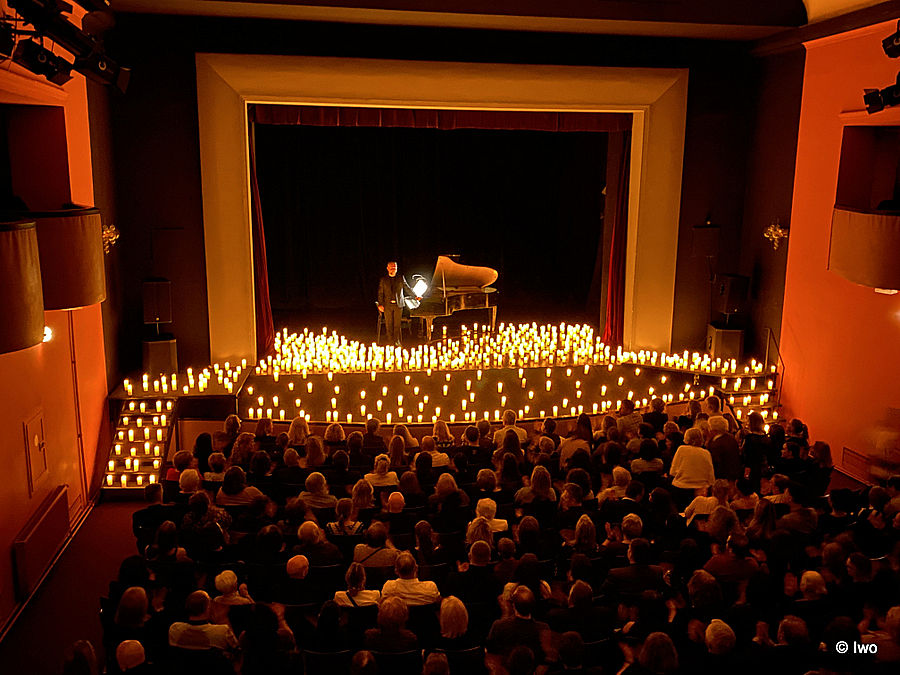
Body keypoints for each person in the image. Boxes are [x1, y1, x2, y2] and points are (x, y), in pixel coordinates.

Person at [168, 590, 238, 651]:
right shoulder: (221, 632)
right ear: (208, 607)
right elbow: (237, 649)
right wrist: (223, 619)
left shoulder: (175, 629)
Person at [377, 261, 417, 346]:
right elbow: (380, 292)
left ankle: (396, 341)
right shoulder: (384, 279)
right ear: (387, 268)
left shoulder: (400, 278)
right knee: (389, 325)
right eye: (392, 267)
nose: (393, 269)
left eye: (395, 267)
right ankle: (390, 341)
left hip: (398, 304)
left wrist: (415, 296)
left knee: (397, 324)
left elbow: (407, 288)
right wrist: (380, 304)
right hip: (387, 305)